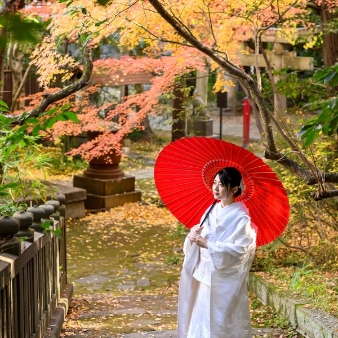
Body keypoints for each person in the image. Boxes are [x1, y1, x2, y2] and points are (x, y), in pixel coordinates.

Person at [177, 166, 257, 338]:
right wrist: (193, 236)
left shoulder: (241, 217)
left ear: (234, 189)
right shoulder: (210, 210)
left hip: (223, 280)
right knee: (200, 318)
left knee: (220, 322)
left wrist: (208, 245)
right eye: (214, 183)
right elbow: (200, 237)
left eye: (221, 185)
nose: (215, 188)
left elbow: (240, 251)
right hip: (204, 275)